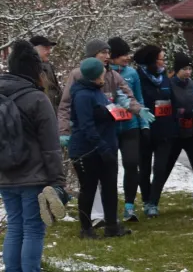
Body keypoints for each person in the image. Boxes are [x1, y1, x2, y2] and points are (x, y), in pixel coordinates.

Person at [1, 40, 67, 272]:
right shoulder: (37, 98)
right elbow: (51, 147)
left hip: (5, 174)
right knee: (33, 229)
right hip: (34, 175)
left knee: (15, 227)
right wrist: (58, 180)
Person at [67, 57, 127, 239]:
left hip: (107, 146)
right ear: (95, 75)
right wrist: (102, 148)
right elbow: (86, 126)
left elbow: (104, 112)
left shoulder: (97, 91)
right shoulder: (82, 95)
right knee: (89, 189)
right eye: (102, 72)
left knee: (110, 187)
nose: (104, 74)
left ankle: (112, 226)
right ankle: (86, 229)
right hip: (88, 150)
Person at [132, 44, 179, 217]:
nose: (164, 62)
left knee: (160, 168)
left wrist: (175, 122)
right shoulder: (138, 78)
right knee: (144, 168)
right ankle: (146, 199)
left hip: (165, 130)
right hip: (145, 130)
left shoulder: (164, 77)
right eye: (161, 59)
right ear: (151, 60)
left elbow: (172, 100)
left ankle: (153, 202)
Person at [159, 52, 193, 213]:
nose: (187, 72)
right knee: (166, 167)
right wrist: (180, 113)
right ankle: (153, 200)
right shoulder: (169, 84)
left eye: (189, 69)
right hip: (174, 134)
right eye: (184, 69)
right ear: (177, 70)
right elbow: (166, 107)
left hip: (190, 132)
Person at [106, 38, 148, 224]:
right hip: (110, 128)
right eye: (123, 54)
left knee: (132, 164)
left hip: (130, 126)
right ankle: (110, 207)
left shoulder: (132, 73)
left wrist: (144, 124)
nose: (127, 57)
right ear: (113, 56)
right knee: (110, 168)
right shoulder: (103, 73)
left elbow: (138, 98)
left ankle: (129, 207)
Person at [30, 36, 60, 111]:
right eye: (46, 48)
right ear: (34, 50)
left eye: (49, 48)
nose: (49, 52)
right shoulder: (29, 69)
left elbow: (55, 91)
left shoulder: (48, 66)